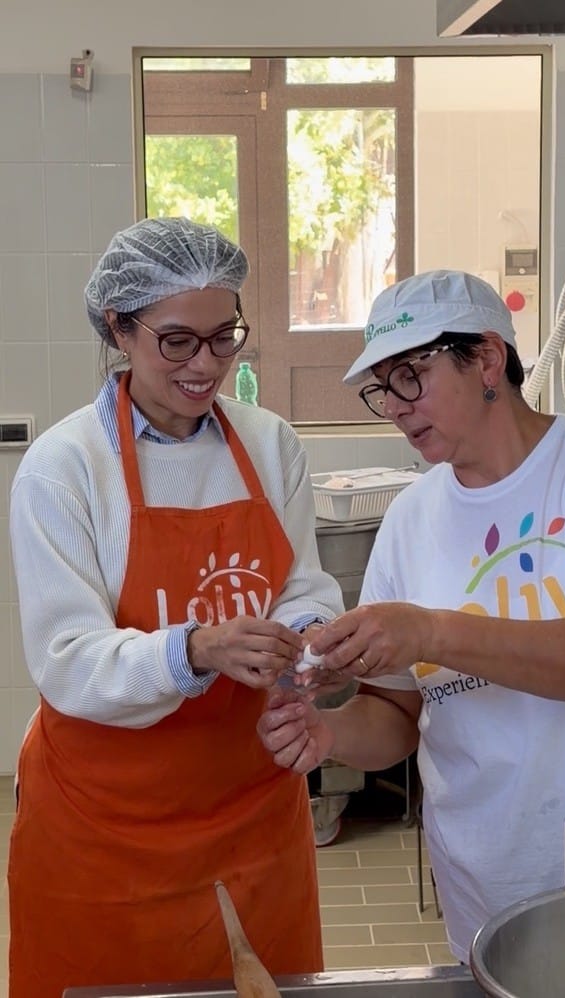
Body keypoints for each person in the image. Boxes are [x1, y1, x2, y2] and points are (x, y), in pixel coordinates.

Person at [259, 269, 565, 963]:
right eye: (382, 388)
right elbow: (396, 717)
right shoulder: (410, 517)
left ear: (485, 358)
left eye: (410, 376)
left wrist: (429, 630)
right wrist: (324, 733)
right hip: (487, 867)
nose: (394, 406)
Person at [7, 216, 344, 998]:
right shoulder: (64, 468)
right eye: (177, 342)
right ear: (119, 328)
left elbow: (301, 587)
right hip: (106, 823)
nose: (206, 366)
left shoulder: (268, 444)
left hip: (252, 806)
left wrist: (309, 642)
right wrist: (192, 648)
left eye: (223, 337)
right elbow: (67, 659)